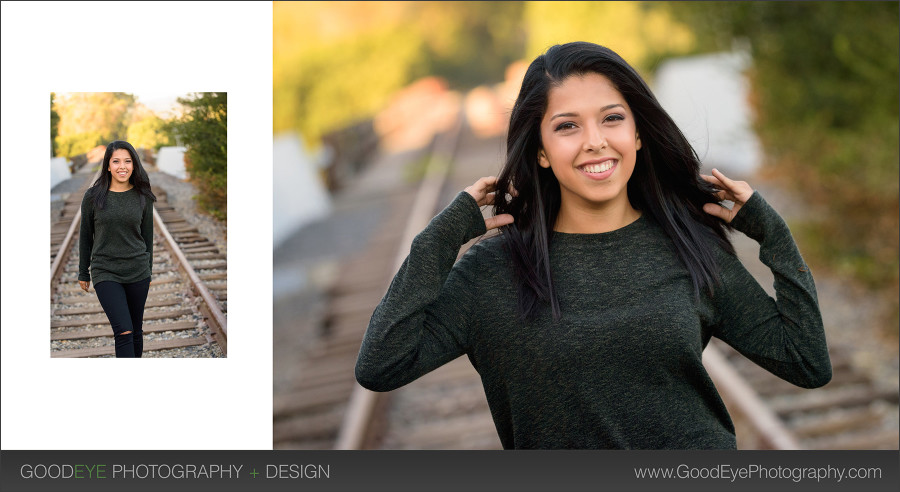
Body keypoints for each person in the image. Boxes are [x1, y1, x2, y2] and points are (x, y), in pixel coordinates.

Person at [355, 42, 832, 449]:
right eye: (567, 126)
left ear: (638, 133)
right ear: (540, 150)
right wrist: (443, 235)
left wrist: (774, 235)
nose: (595, 142)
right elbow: (381, 363)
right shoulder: (493, 271)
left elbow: (806, 362)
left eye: (611, 119)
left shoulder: (689, 246)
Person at [78, 140, 156, 358]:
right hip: (106, 271)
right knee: (124, 331)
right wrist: (83, 271)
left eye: (128, 161)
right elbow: (86, 235)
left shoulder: (142, 195)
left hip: (137, 270)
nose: (123, 166)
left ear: (134, 164)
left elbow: (147, 236)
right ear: (108, 165)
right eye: (116, 161)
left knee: (136, 331)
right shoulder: (93, 197)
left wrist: (148, 270)